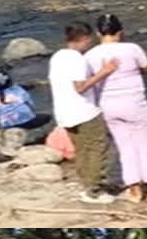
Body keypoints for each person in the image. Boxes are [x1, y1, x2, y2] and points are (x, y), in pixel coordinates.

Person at [84, 13, 147, 203]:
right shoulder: (132, 48)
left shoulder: (90, 55)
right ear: (121, 31)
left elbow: (89, 81)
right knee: (146, 144)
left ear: (97, 33)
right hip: (134, 102)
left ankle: (134, 190)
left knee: (124, 146)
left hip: (108, 104)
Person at [49, 22, 119, 204]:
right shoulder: (76, 59)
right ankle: (94, 190)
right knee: (98, 148)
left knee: (81, 151)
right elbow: (80, 87)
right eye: (89, 40)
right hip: (84, 111)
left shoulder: (57, 56)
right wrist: (105, 72)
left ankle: (87, 185)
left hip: (64, 111)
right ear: (84, 38)